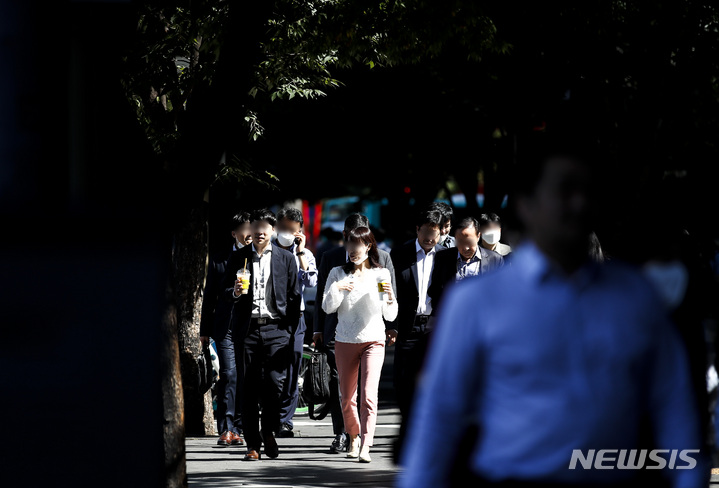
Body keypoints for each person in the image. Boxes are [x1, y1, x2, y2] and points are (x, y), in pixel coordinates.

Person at [398, 140, 711, 487]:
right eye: (564, 190)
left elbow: (675, 413)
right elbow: (439, 419)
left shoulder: (637, 299)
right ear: (527, 204)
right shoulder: (475, 302)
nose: (578, 203)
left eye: (587, 191)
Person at [221, 208, 301, 461]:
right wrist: (234, 292)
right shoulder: (239, 258)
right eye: (254, 226)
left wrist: (288, 331)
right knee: (248, 387)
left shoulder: (285, 258)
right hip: (248, 330)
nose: (259, 231)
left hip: (277, 329)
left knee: (275, 386)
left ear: (273, 230)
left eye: (264, 226)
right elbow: (223, 292)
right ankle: (252, 444)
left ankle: (269, 431)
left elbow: (294, 295)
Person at [313, 213, 397, 454]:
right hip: (341, 335)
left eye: (359, 240)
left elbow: (389, 308)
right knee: (345, 395)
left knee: (369, 395)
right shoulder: (334, 265)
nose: (353, 247)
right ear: (345, 237)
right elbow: (324, 299)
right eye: (350, 240)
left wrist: (391, 307)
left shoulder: (382, 267)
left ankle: (366, 444)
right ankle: (349, 435)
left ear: (368, 241)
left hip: (373, 337)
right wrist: (319, 328)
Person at [389, 208, 444, 461]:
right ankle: (409, 427)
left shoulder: (445, 255)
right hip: (407, 326)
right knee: (403, 382)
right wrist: (390, 323)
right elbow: (388, 290)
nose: (431, 240)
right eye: (426, 234)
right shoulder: (399, 254)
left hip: (435, 326)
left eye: (435, 235)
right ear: (417, 231)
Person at [199, 211, 251, 447]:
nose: (250, 233)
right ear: (234, 233)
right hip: (226, 325)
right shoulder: (220, 259)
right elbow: (209, 297)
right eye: (245, 229)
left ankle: (241, 426)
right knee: (229, 374)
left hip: (250, 326)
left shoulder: (259, 258)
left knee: (245, 376)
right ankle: (227, 428)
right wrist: (204, 330)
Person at [273, 206, 317, 438]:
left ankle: (285, 420)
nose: (286, 233)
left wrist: (299, 251)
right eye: (283, 228)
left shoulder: (305, 254)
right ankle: (270, 414)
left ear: (300, 231)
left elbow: (310, 282)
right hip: (270, 317)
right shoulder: (265, 250)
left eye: (292, 230)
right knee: (269, 369)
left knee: (292, 367)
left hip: (295, 318)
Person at [429, 216, 504, 313]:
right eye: (460, 242)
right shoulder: (443, 257)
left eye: (469, 242)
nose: (465, 248)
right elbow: (435, 290)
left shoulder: (495, 260)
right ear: (455, 238)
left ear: (478, 236)